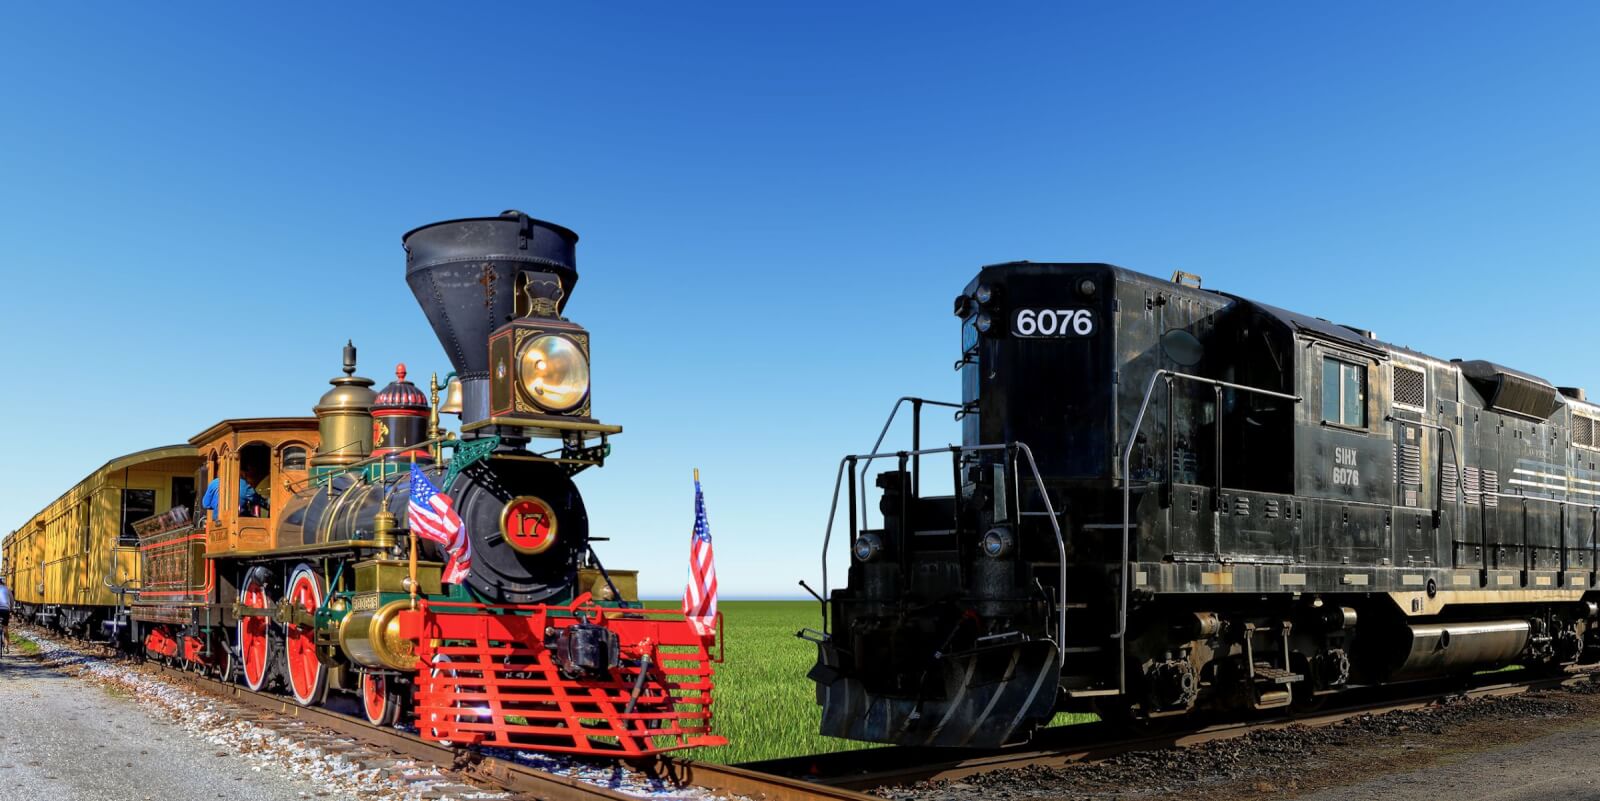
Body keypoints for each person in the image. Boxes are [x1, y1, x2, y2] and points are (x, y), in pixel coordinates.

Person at [202, 468, 271, 522]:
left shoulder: (213, 483)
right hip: (238, 521)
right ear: (239, 471)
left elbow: (206, 504)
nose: (246, 475)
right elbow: (257, 499)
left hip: (216, 522)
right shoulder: (243, 484)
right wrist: (268, 504)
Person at [0, 577, 13, 651]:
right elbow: (12, 601)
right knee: (5, 628)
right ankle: (6, 647)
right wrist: (11, 609)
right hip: (5, 610)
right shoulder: (7, 589)